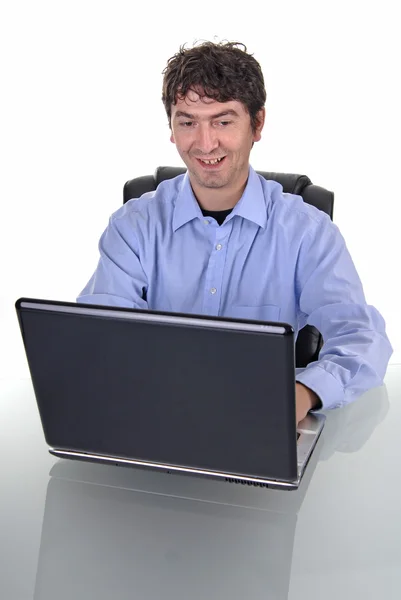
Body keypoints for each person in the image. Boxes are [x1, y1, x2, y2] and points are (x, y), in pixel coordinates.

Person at [77, 41, 392, 424]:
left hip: (258, 420)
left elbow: (362, 337)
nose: (205, 143)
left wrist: (304, 392)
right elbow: (98, 333)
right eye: (188, 121)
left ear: (256, 124)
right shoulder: (133, 227)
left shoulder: (308, 232)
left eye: (223, 122)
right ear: (172, 129)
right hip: (154, 415)